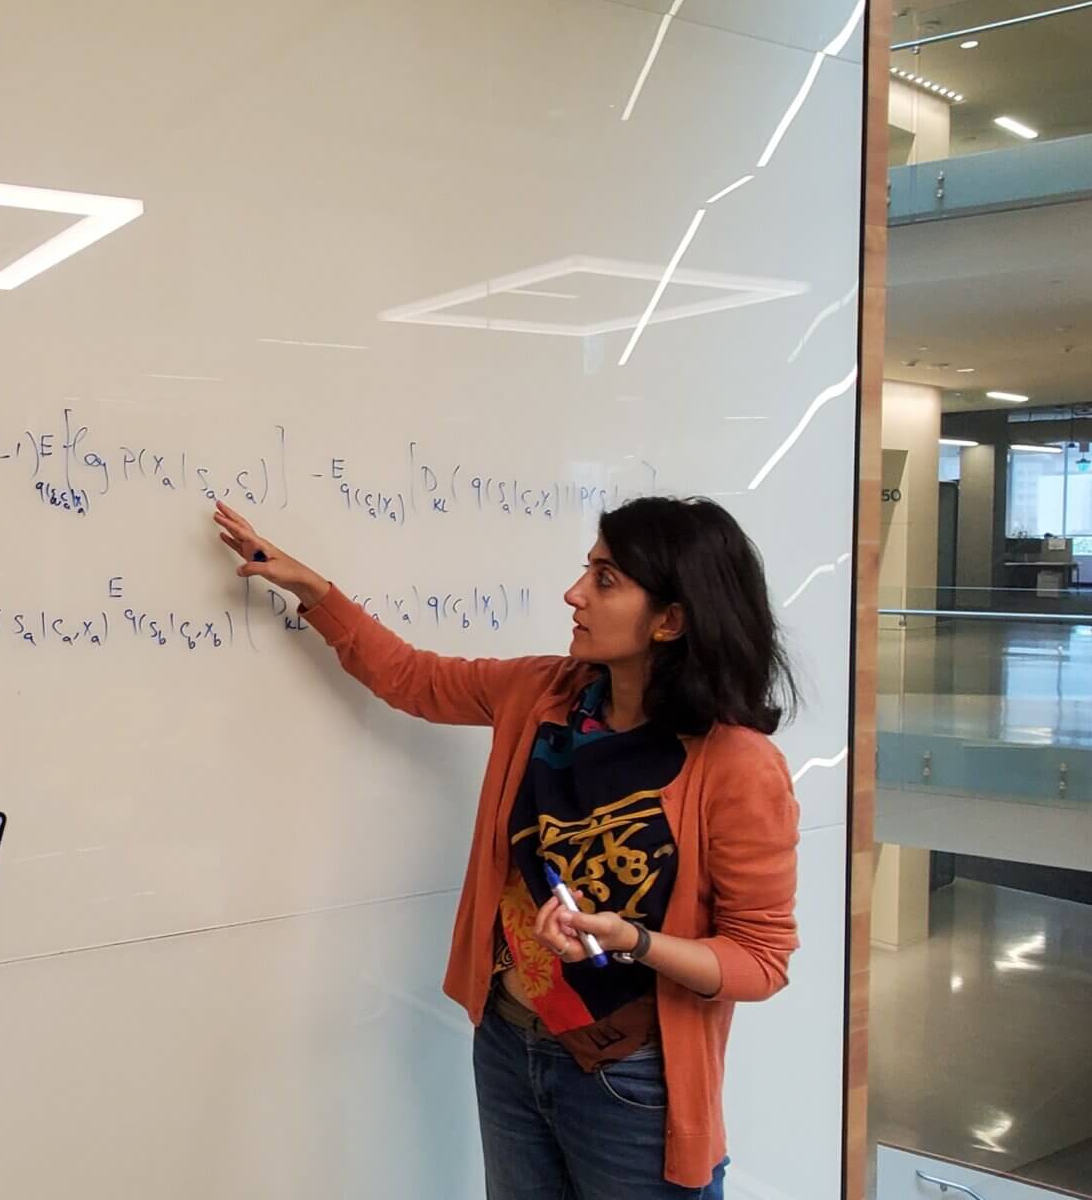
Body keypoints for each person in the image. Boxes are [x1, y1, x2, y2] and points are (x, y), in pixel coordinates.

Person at [214, 496, 800, 1199]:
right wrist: (313, 589)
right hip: (509, 1042)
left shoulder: (735, 763)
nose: (574, 592)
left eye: (606, 579)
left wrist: (635, 941)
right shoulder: (542, 693)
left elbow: (761, 958)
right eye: (588, 569)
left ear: (671, 619)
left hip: (632, 1077)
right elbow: (412, 676)